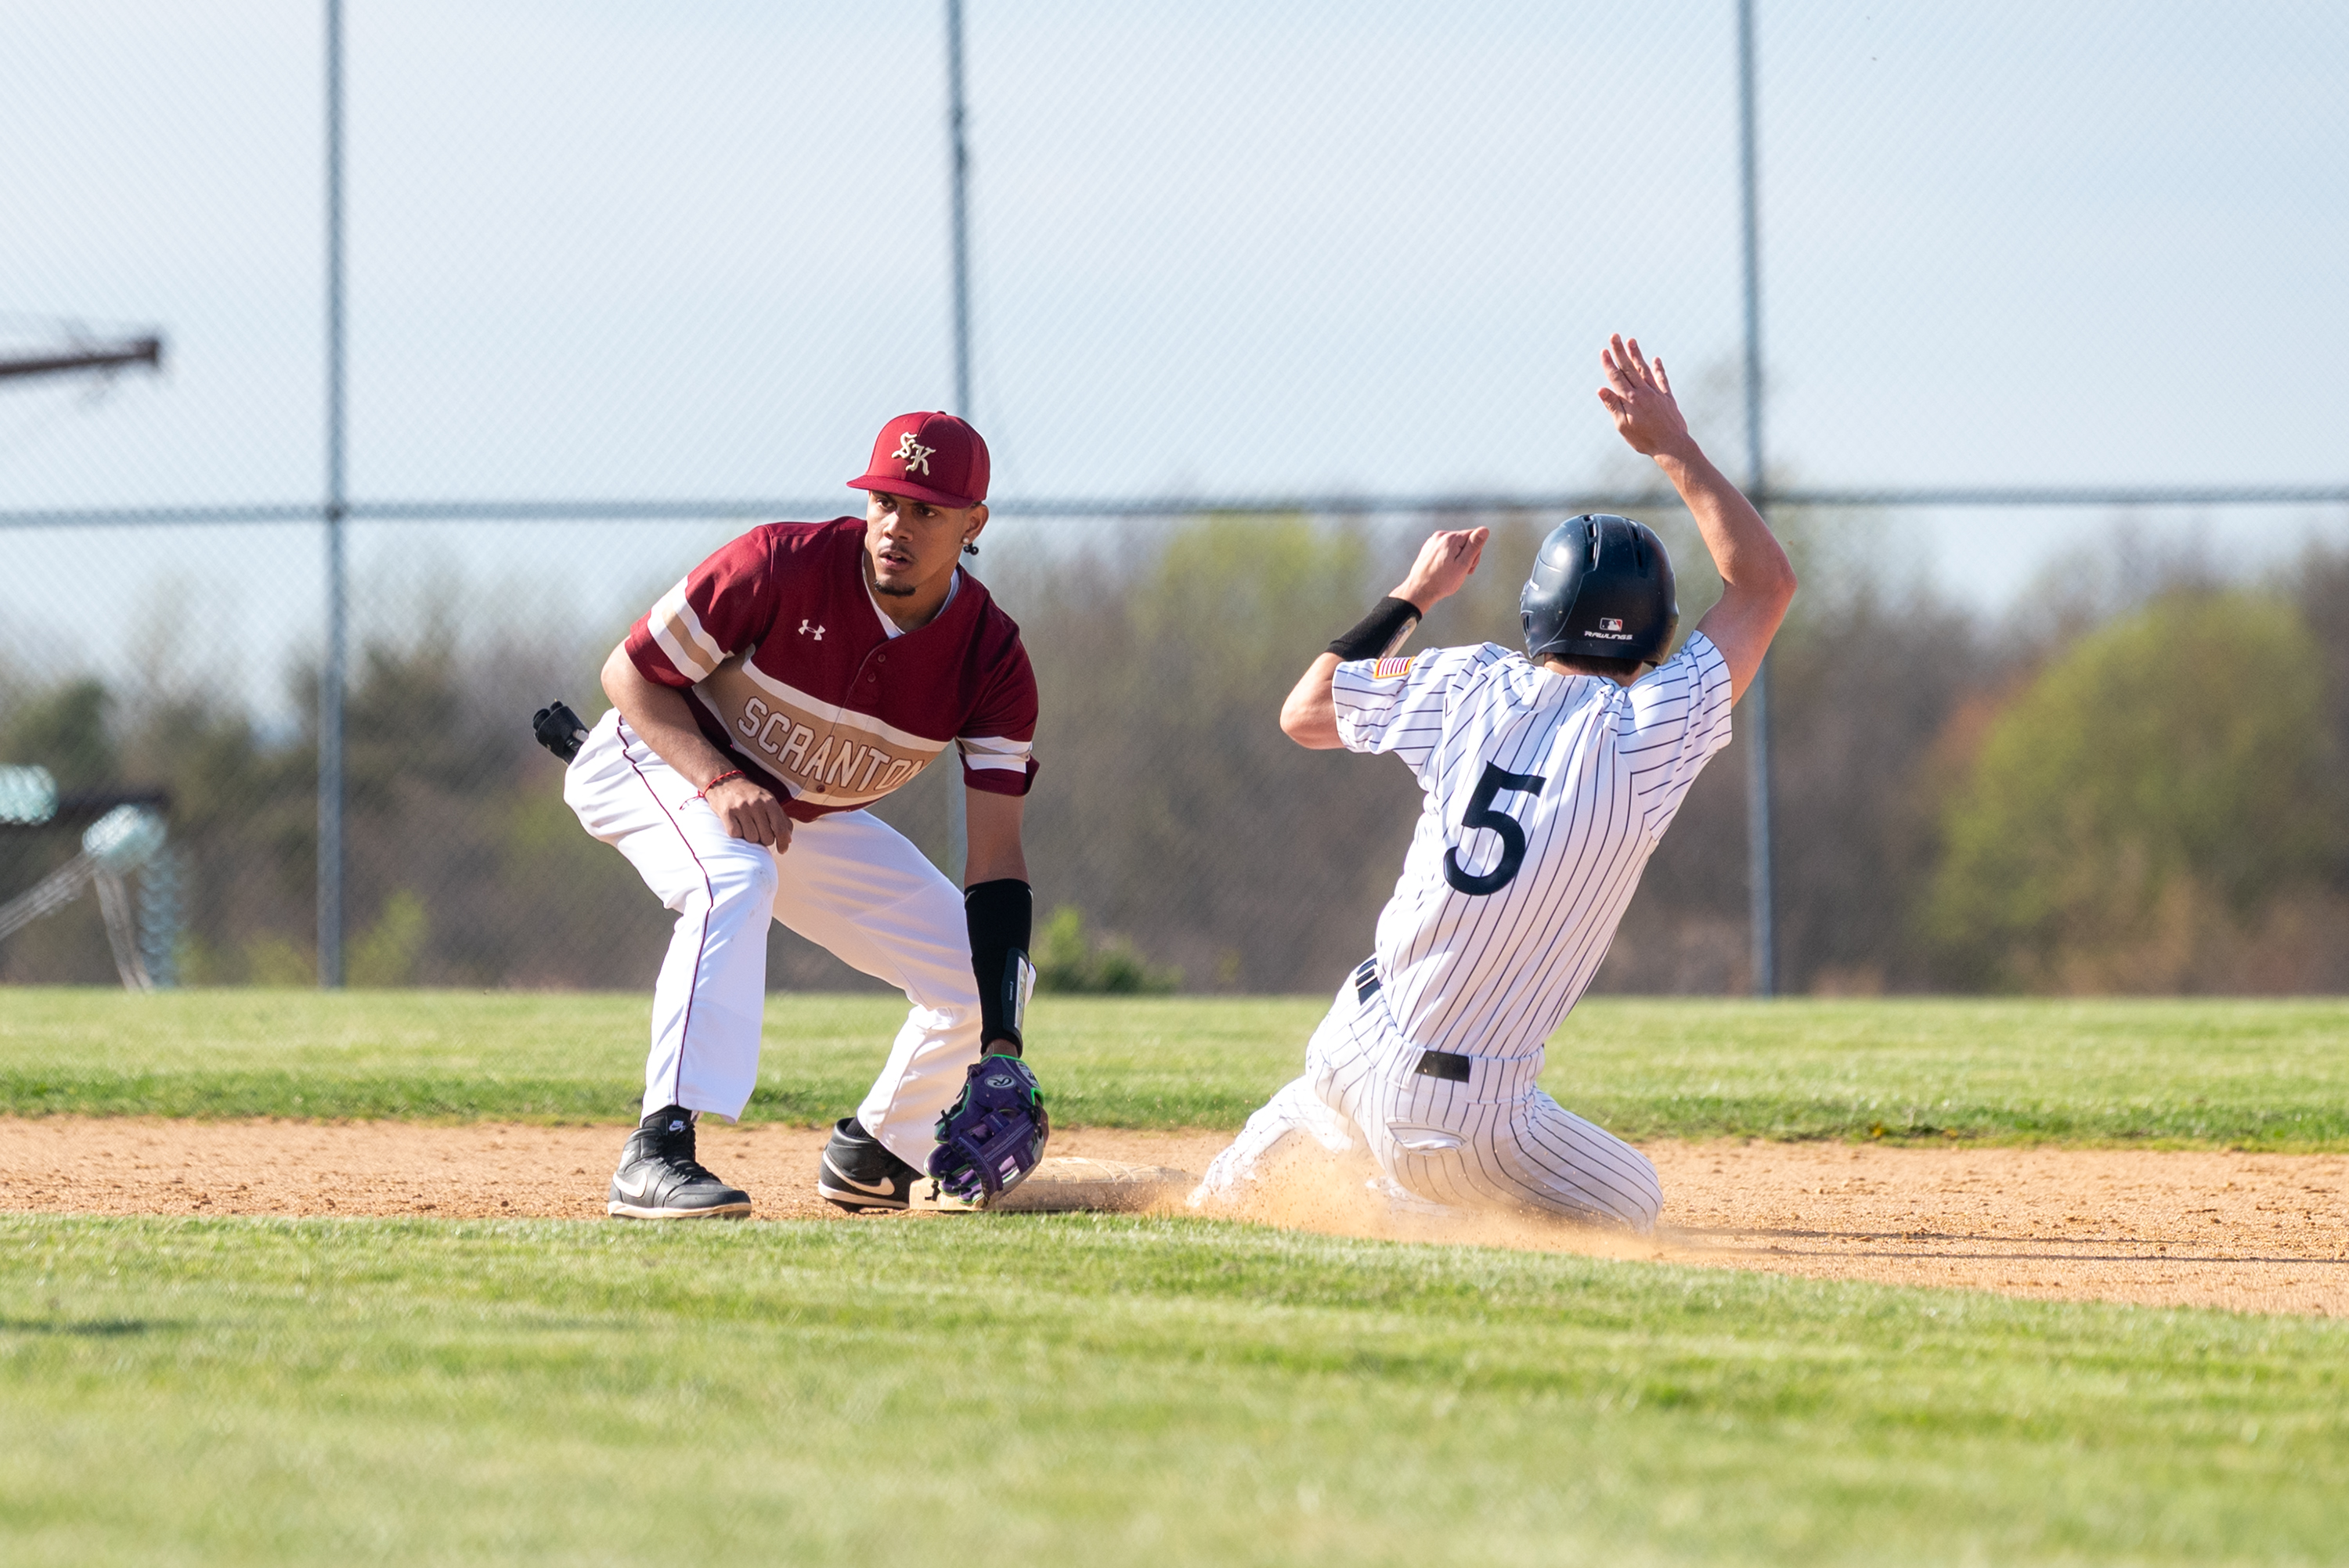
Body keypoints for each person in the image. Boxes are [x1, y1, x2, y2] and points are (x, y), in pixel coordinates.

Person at [1192, 336, 1797, 1231]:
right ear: (1656, 636)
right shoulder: (1649, 728)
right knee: (1634, 1201)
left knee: (1221, 1205)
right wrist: (1672, 445)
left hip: (1349, 1046)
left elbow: (1305, 710)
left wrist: (1413, 592)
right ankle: (1405, 1207)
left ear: (1536, 613)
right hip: (1460, 1116)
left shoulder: (1469, 679)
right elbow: (1765, 584)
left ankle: (1306, 1150)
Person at [564, 411, 1042, 1218]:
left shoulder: (990, 657)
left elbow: (995, 864)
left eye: (927, 509)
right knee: (733, 874)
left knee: (985, 974)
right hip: (655, 756)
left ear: (973, 524)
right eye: (887, 500)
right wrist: (715, 778)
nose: (897, 525)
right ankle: (656, 1149)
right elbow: (629, 673)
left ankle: (878, 1151)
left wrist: (1002, 1045)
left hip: (796, 810)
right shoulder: (781, 563)